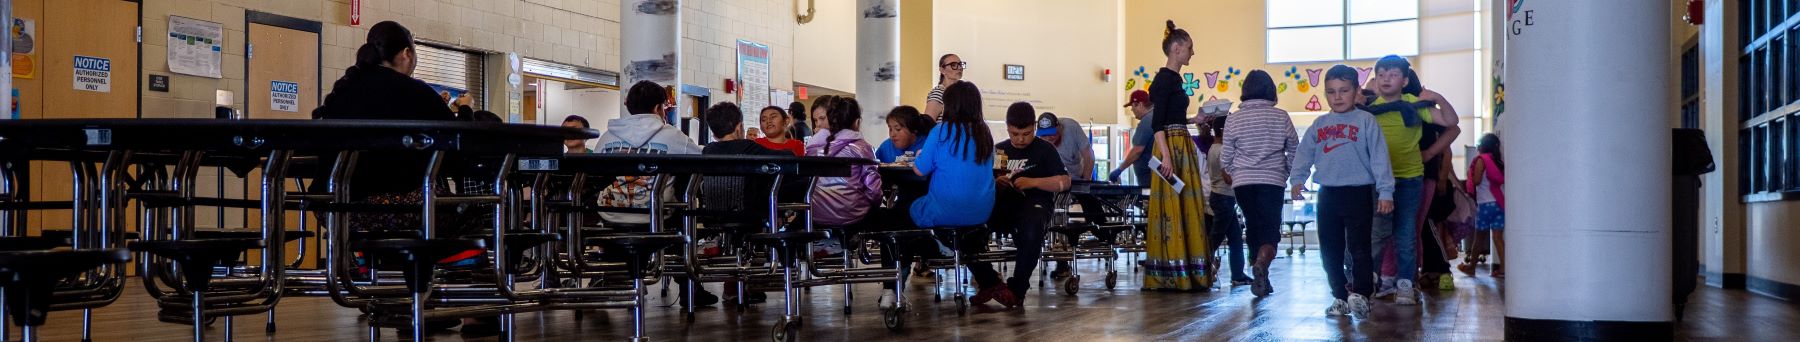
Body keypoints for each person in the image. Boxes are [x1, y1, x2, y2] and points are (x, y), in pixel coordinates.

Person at [311, 20, 480, 332]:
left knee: (419, 217)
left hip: (336, 210)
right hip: (398, 209)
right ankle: (473, 309)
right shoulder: (415, 92)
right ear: (406, 53)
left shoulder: (341, 94)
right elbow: (461, 153)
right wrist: (466, 110)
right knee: (474, 209)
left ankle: (405, 303)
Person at [1290, 65, 1394, 320]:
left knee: (1359, 248)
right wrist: (1297, 179)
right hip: (1328, 194)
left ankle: (1361, 293)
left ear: (1357, 91)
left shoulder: (1365, 121)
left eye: (1344, 91)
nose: (1337, 97)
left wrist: (1385, 192)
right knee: (1330, 250)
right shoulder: (1320, 124)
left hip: (1358, 192)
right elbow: (1304, 153)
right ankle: (1339, 295)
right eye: (1331, 92)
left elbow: (1380, 158)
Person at [595, 80, 707, 306]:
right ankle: (690, 290)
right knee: (683, 218)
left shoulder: (607, 137)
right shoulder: (673, 136)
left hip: (610, 213)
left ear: (628, 106)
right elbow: (703, 161)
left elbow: (596, 177)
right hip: (655, 214)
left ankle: (610, 276)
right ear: (659, 108)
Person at [1362, 55, 1461, 306]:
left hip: (1409, 178)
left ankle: (1406, 283)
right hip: (1377, 181)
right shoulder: (1369, 109)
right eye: (1381, 74)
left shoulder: (1415, 105)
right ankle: (1372, 283)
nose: (1386, 79)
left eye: (1393, 74)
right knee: (1377, 233)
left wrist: (1437, 98)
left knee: (1406, 232)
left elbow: (1451, 122)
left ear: (1405, 80)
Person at [891, 81, 996, 308]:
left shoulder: (941, 131)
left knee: (905, 213)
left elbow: (920, 169)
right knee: (954, 216)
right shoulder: (984, 132)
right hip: (982, 211)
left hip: (946, 210)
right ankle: (956, 252)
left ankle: (929, 252)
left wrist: (921, 154)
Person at [1141, 20, 1211, 291]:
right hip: (1170, 146)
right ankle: (1173, 272)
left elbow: (1173, 117)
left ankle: (1186, 270)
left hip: (1178, 142)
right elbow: (1157, 123)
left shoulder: (1173, 80)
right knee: (1172, 208)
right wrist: (1167, 158)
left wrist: (1195, 118)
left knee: (1184, 206)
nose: (1193, 52)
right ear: (1177, 48)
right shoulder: (1163, 80)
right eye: (1190, 48)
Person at [980, 103, 1071, 306]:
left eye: (1026, 133)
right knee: (972, 225)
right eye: (1015, 134)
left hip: (1035, 204)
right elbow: (982, 180)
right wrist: (995, 183)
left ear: (1035, 127)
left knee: (1032, 229)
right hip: (1002, 204)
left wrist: (1033, 182)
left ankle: (1017, 289)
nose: (1020, 139)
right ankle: (987, 281)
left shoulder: (1045, 150)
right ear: (1007, 128)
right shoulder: (1000, 149)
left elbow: (1065, 182)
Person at [1221, 69, 1299, 297]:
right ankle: (1262, 265)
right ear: (1271, 91)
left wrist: (1233, 171)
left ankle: (1261, 276)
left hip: (1243, 183)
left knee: (1253, 227)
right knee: (1270, 231)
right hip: (1272, 180)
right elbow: (1294, 147)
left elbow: (1226, 156)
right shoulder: (1280, 116)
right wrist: (1287, 171)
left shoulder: (1234, 118)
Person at [1203, 117, 1250, 288]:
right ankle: (1202, 269)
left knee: (1235, 238)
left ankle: (1238, 274)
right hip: (1223, 197)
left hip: (1222, 197)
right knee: (1216, 237)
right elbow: (1227, 178)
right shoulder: (1222, 150)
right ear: (1224, 131)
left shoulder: (1213, 148)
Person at [1465, 133, 1505, 278]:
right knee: (1498, 238)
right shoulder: (1497, 160)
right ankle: (1503, 270)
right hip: (1499, 203)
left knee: (1478, 239)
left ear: (1482, 146)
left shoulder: (1481, 160)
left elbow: (1476, 181)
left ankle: (1471, 267)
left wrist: (1470, 173)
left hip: (1484, 204)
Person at [1109, 90, 1156, 185]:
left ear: (1140, 104)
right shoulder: (1155, 117)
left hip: (1150, 179)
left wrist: (1119, 169)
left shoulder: (1147, 121)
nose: (1132, 110)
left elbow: (1137, 151)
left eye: (1132, 106)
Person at [924, 53, 964, 121]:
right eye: (953, 65)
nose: (959, 68)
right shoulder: (939, 93)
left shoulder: (961, 92)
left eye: (960, 64)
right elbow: (927, 124)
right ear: (942, 70)